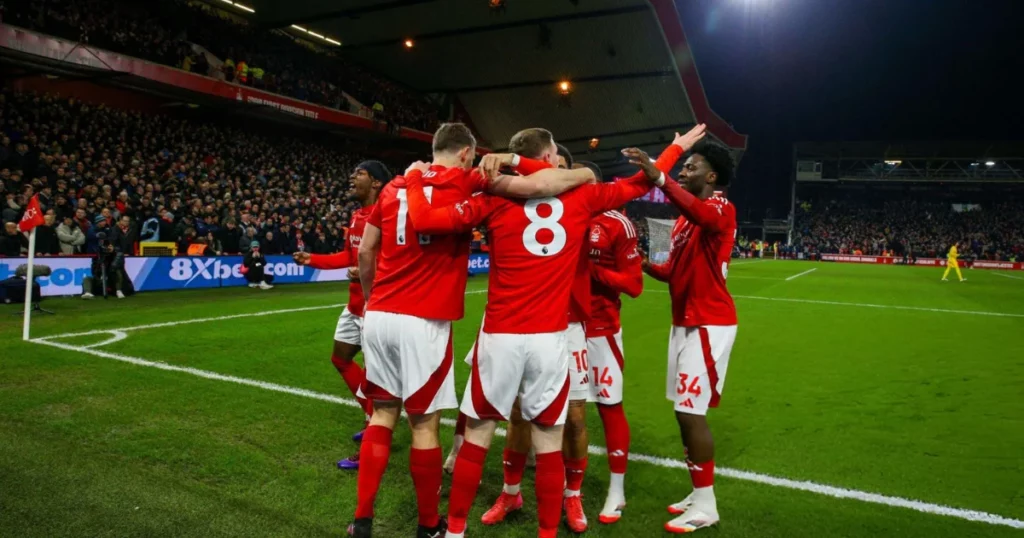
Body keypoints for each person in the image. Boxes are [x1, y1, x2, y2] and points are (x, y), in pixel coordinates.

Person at [402, 139, 688, 538]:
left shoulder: (492, 195)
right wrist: (674, 150)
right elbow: (641, 183)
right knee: (549, 440)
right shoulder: (584, 198)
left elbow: (430, 220)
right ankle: (546, 532)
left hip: (501, 334)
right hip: (551, 338)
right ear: (547, 157)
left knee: (479, 433)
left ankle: (453, 532)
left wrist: (415, 178)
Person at [349, 123, 593, 538]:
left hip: (379, 315)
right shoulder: (470, 182)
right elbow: (543, 185)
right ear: (466, 154)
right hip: (423, 318)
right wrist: (578, 174)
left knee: (382, 415)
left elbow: (366, 249)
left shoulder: (392, 186)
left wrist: (372, 300)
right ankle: (430, 526)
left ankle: (362, 521)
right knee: (424, 426)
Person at [640, 132, 739, 534]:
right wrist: (640, 261)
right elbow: (669, 271)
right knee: (682, 413)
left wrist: (663, 181)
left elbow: (706, 217)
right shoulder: (681, 220)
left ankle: (707, 505)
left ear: (712, 176)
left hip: (708, 321)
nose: (685, 168)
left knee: (690, 412)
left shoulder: (720, 208)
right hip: (683, 322)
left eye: (692, 165)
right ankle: (697, 494)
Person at [293, 160, 390, 471]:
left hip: (375, 307)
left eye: (359, 173)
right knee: (341, 358)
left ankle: (376, 432)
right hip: (353, 306)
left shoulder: (387, 215)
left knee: (375, 377)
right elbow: (349, 257)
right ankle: (374, 416)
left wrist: (366, 272)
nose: (352, 177)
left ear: (375, 183)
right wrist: (314, 260)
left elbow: (393, 261)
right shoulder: (356, 216)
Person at [583, 162, 645, 525]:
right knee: (562, 413)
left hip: (601, 329)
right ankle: (568, 486)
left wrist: (595, 271)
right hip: (562, 327)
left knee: (609, 407)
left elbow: (634, 285)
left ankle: (616, 489)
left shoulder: (616, 223)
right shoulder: (562, 212)